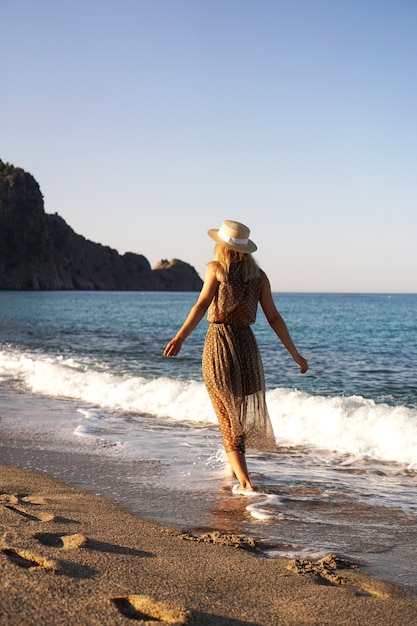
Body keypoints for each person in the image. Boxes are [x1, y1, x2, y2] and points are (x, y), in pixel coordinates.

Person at [164, 220, 308, 495]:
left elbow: (202, 304)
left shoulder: (215, 269)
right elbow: (274, 318)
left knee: (227, 416)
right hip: (247, 347)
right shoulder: (259, 276)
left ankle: (245, 482)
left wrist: (181, 337)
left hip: (219, 345)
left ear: (222, 244)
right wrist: (295, 354)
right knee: (236, 413)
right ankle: (233, 471)